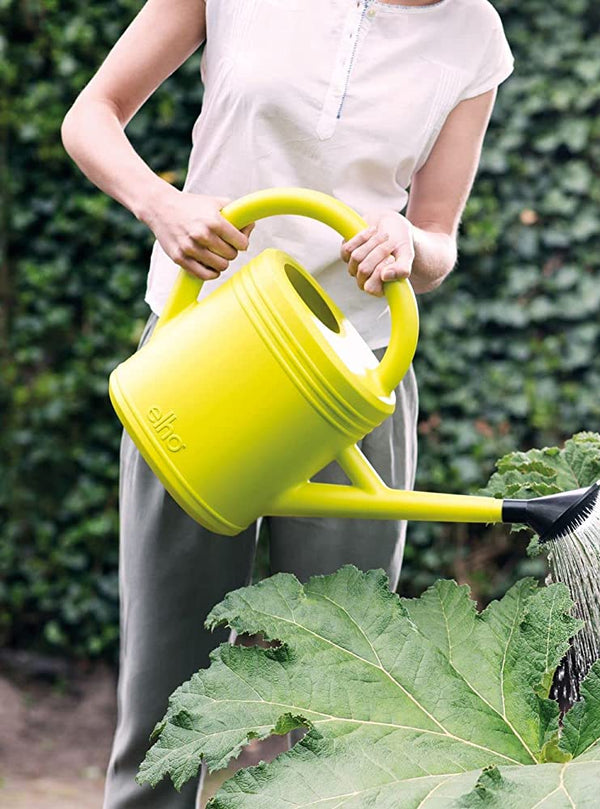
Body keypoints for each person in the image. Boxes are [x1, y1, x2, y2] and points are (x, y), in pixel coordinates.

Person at [60, 0, 513, 806]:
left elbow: (441, 233)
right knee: (165, 707)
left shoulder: (474, 30)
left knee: (345, 706)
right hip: (202, 357)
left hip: (354, 378)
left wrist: (412, 243)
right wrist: (162, 205)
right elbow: (92, 115)